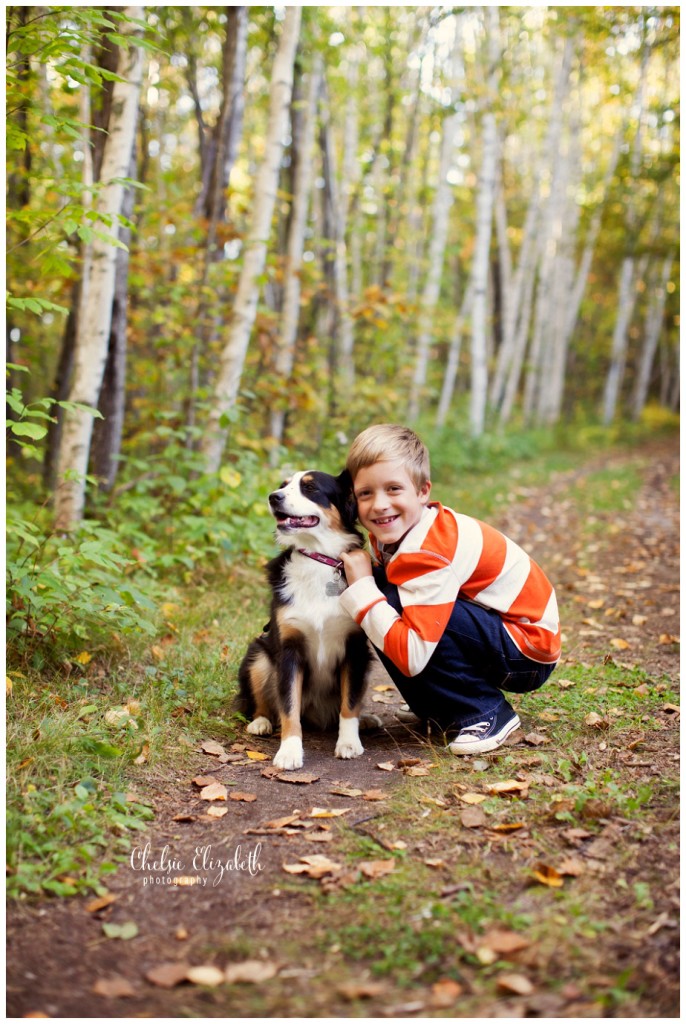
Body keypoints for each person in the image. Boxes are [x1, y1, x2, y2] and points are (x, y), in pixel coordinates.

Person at [339, 424, 560, 755]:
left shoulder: (427, 551)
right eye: (365, 494)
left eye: (394, 489)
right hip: (498, 629)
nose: (379, 505)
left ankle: (485, 713)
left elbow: (412, 656)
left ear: (423, 491)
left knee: (381, 601)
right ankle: (438, 707)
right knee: (384, 597)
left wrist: (362, 590)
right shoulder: (401, 530)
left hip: (527, 650)